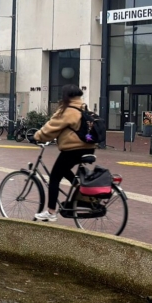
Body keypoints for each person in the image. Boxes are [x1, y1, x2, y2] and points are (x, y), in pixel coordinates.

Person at [32, 85, 97, 222]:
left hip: (73, 149)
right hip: (89, 148)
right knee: (64, 169)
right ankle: (80, 189)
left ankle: (51, 211)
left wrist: (37, 137)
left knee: (55, 177)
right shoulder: (85, 108)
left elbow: (52, 127)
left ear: (66, 96)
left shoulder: (68, 110)